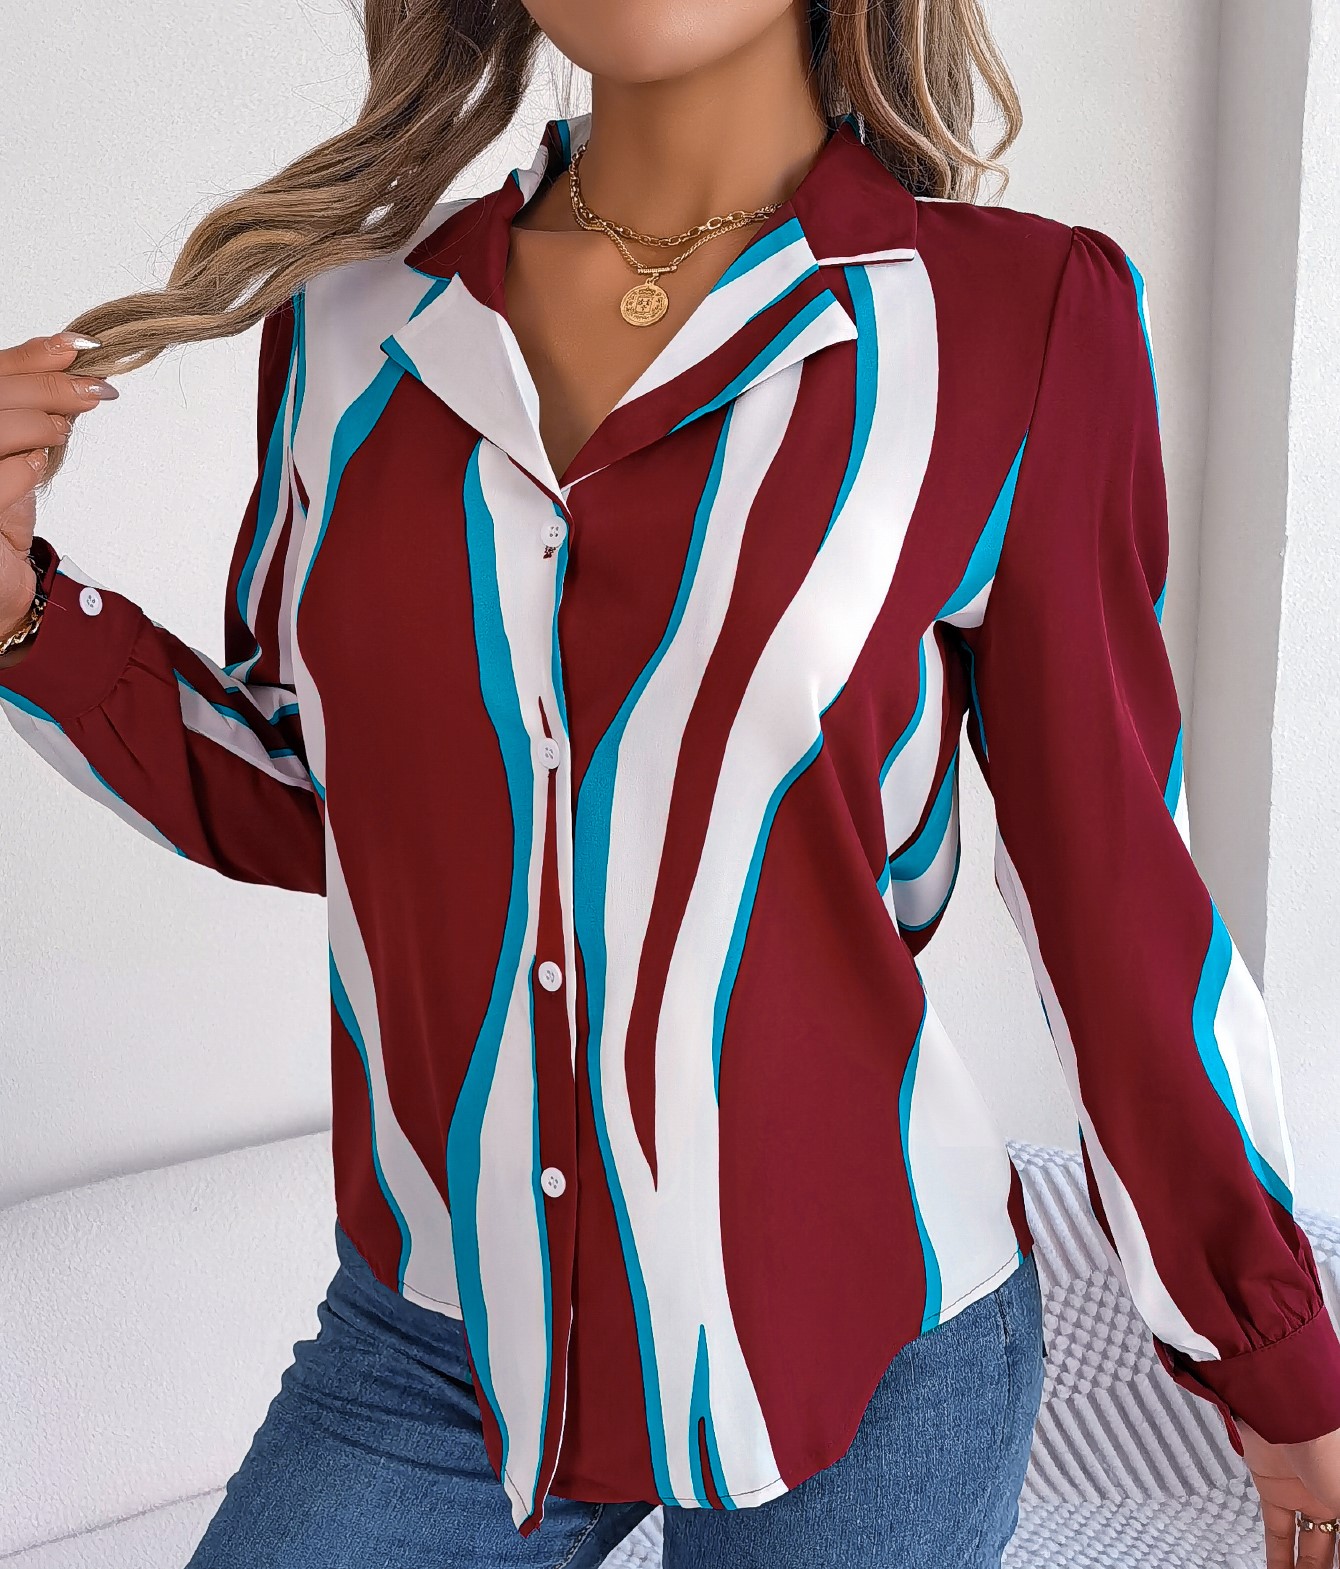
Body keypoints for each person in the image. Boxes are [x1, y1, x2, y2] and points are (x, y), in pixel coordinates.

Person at [4, 2, 1340, 1565]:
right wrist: (23, 611)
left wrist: (1274, 1359)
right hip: (440, 1337)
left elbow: (1112, 889)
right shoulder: (350, 328)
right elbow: (319, 795)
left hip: (865, 1340)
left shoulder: (1013, 323)